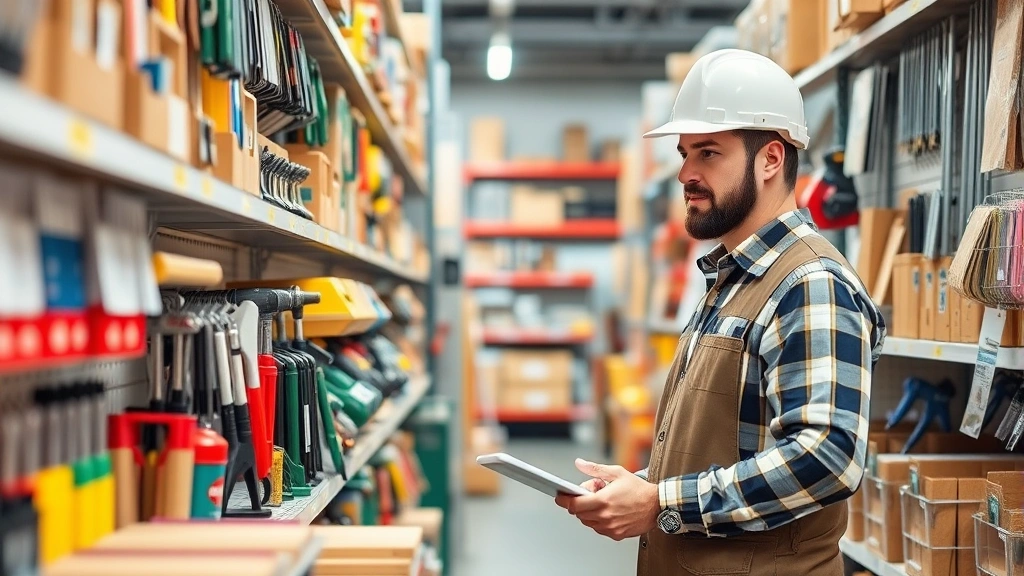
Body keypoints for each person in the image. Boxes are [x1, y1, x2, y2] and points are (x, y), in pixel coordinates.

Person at [554, 49, 886, 576]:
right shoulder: (730, 279)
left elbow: (827, 457)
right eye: (685, 153)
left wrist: (662, 502)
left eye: (708, 152)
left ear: (771, 160)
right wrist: (645, 485)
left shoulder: (809, 283)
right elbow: (732, 443)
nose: (685, 172)